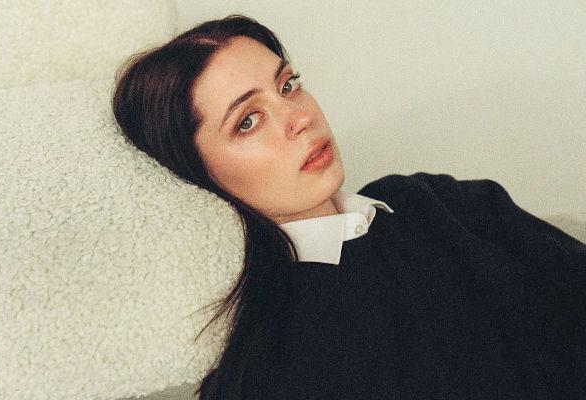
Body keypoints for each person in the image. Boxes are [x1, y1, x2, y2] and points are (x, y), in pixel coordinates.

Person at [112, 14, 586, 400]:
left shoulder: (433, 198)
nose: (299, 117)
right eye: (248, 121)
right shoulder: (271, 365)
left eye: (288, 86)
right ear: (197, 176)